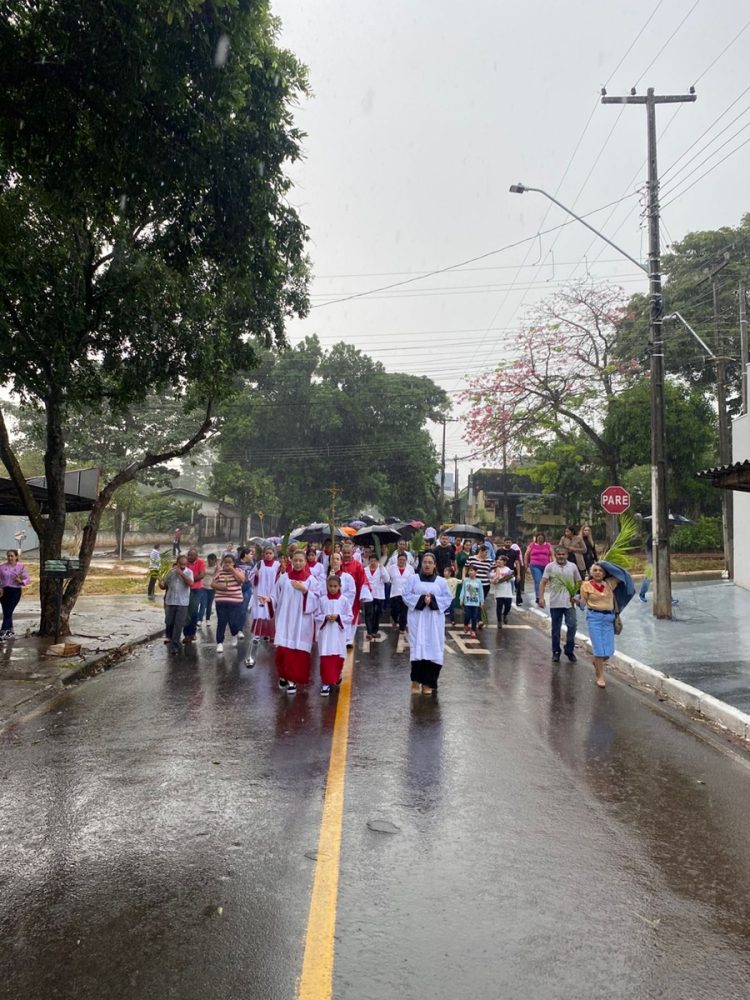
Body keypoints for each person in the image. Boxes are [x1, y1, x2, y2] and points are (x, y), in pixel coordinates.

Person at [402, 551, 453, 695]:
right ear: (421, 564)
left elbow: (448, 599)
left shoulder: (441, 582)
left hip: (434, 621)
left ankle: (428, 683)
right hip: (417, 619)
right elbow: (405, 595)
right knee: (417, 649)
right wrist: (421, 600)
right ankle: (415, 682)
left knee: (434, 650)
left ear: (435, 565)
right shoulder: (413, 579)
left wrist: (433, 601)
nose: (427, 565)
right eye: (425, 562)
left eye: (430, 562)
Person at [274, 549, 319, 693]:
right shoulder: (284, 578)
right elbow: (275, 596)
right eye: (295, 560)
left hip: (302, 621)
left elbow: (316, 600)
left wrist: (305, 590)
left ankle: (292, 680)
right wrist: (267, 600)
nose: (298, 563)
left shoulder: (311, 580)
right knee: (283, 648)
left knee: (297, 651)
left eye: (301, 561)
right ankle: (284, 675)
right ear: (291, 561)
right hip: (286, 619)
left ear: (305, 562)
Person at [538, 546, 581, 663]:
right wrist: (541, 597)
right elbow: (543, 582)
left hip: (569, 603)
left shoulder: (573, 566)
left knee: (572, 626)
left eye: (563, 554)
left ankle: (569, 650)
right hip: (555, 603)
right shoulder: (550, 566)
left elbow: (579, 582)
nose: (561, 556)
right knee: (556, 629)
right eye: (559, 554)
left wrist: (575, 595)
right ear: (555, 555)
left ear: (567, 555)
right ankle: (556, 651)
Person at [579, 562, 619, 688]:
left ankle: (597, 662)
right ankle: (600, 676)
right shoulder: (586, 585)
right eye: (595, 570)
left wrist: (606, 564)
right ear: (591, 573)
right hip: (594, 618)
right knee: (599, 649)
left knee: (608, 651)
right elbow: (583, 603)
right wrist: (576, 601)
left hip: (608, 619)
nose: (598, 572)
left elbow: (621, 574)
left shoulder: (610, 583)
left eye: (601, 570)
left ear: (605, 573)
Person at [314, 574, 353, 695]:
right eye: (330, 586)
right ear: (327, 586)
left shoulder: (344, 600)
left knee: (337, 656)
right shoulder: (322, 600)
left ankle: (336, 676)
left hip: (338, 633)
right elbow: (316, 615)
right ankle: (325, 683)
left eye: (335, 586)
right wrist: (325, 617)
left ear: (340, 586)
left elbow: (350, 616)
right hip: (325, 634)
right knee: (325, 657)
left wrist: (338, 617)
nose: (332, 588)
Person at [245, 545, 278, 667]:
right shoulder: (260, 564)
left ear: (273, 554)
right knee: (260, 613)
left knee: (271, 613)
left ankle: (271, 635)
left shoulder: (277, 565)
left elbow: (279, 578)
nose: (268, 555)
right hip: (260, 591)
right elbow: (251, 577)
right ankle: (258, 634)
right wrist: (256, 575)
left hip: (272, 592)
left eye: (270, 553)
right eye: (266, 553)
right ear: (264, 554)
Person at [159, 554, 194, 654]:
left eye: (184, 564)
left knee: (178, 624)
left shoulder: (189, 572)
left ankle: (174, 645)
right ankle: (171, 638)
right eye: (181, 564)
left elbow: (191, 583)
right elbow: (164, 585)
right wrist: (161, 584)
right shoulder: (171, 573)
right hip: (170, 602)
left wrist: (181, 574)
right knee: (169, 622)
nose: (182, 566)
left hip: (182, 603)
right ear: (177, 563)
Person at [212, 554, 245, 653]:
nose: (227, 564)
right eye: (225, 562)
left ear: (233, 563)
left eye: (229, 562)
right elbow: (212, 584)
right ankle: (220, 643)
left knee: (233, 622)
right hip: (221, 600)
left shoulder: (239, 571)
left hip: (235, 601)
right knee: (221, 621)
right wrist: (221, 587)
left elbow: (241, 580)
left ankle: (234, 634)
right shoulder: (220, 572)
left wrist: (232, 570)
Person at [341, 539, 369, 647]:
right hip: (340, 595)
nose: (346, 555)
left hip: (354, 596)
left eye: (348, 553)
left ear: (352, 552)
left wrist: (363, 593)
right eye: (345, 553)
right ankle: (342, 638)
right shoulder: (338, 564)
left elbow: (363, 580)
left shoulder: (357, 565)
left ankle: (349, 640)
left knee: (352, 616)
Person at [0, 549, 30, 639]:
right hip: (4, 591)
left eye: (12, 556)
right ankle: (10, 631)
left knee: (9, 611)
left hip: (15, 591)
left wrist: (20, 581)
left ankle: (3, 630)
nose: (10, 558)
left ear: (16, 557)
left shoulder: (21, 567)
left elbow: (27, 579)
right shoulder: (2, 567)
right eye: (8, 556)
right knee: (6, 612)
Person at [182, 547, 205, 643]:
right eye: (188, 555)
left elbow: (202, 575)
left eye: (191, 555)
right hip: (185, 590)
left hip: (196, 590)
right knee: (186, 612)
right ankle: (186, 634)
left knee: (194, 612)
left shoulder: (200, 562)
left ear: (196, 556)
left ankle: (192, 633)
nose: (189, 557)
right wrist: (188, 580)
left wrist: (190, 579)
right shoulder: (185, 563)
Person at [466, 544, 492, 628]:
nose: (486, 554)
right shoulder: (471, 558)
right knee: (475, 601)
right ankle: (479, 620)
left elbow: (495, 569)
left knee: (481, 601)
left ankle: (479, 619)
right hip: (473, 583)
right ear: (480, 551)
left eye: (487, 552)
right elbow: (465, 568)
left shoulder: (489, 561)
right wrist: (464, 578)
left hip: (485, 584)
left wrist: (494, 577)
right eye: (485, 552)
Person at [388, 552, 414, 634]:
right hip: (395, 593)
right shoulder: (391, 568)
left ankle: (402, 627)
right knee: (394, 611)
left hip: (406, 593)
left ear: (406, 560)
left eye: (404, 560)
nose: (402, 561)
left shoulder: (410, 569)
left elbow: (412, 581)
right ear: (397, 560)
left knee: (404, 611)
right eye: (400, 559)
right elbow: (388, 578)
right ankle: (395, 620)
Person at [363, 553, 388, 640]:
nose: (373, 562)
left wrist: (382, 568)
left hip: (379, 595)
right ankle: (369, 632)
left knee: (378, 613)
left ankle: (374, 630)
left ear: (377, 561)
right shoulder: (365, 570)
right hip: (368, 595)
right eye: (371, 561)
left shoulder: (381, 569)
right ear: (369, 561)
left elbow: (387, 579)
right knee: (369, 613)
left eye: (375, 561)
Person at [525, 532, 554, 601]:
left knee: (545, 581)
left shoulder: (548, 545)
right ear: (536, 538)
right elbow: (526, 554)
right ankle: (538, 597)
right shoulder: (532, 545)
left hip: (546, 566)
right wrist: (526, 564)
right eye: (539, 538)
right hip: (535, 565)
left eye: (541, 538)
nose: (540, 539)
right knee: (538, 580)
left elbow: (552, 554)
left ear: (544, 538)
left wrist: (554, 563)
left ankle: (543, 595)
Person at [237, 546, 256, 637]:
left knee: (243, 609)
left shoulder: (252, 563)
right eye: (250, 554)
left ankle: (240, 630)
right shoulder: (236, 563)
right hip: (237, 588)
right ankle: (234, 626)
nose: (252, 556)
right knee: (236, 609)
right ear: (245, 554)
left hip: (247, 588)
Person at [490, 554, 514, 627]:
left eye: (501, 560)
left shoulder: (507, 569)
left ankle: (505, 614)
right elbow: (491, 577)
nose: (498, 561)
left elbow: (513, 578)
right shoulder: (494, 569)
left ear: (504, 562)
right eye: (498, 559)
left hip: (507, 592)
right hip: (499, 591)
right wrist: (494, 580)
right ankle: (499, 621)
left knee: (508, 606)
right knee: (499, 607)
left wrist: (508, 578)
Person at [460, 564, 483, 638]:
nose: (470, 572)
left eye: (472, 570)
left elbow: (481, 592)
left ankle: (473, 630)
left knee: (474, 617)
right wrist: (461, 598)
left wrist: (481, 601)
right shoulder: (466, 581)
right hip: (467, 602)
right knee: (467, 616)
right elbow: (463, 590)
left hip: (476, 603)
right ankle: (466, 624)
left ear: (476, 572)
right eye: (469, 571)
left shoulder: (478, 581)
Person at [198, 553, 218, 626]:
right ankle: (199, 620)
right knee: (203, 604)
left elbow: (217, 576)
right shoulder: (204, 566)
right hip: (203, 587)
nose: (209, 562)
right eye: (208, 560)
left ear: (214, 560)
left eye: (211, 561)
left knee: (209, 605)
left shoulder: (216, 568)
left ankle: (208, 619)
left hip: (212, 588)